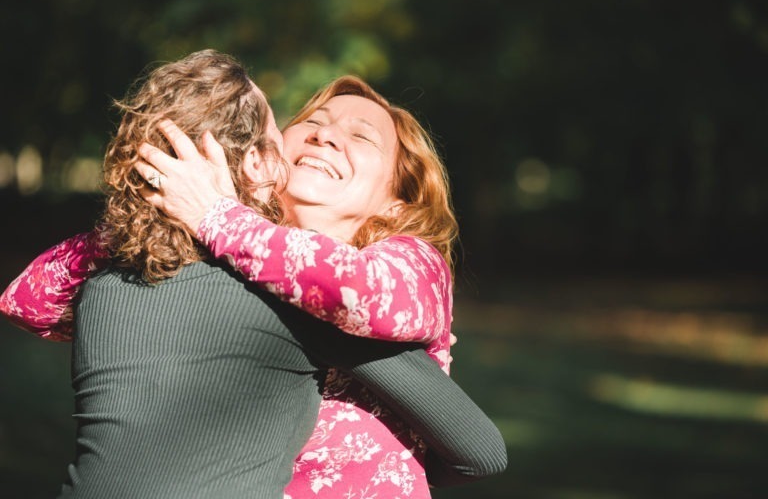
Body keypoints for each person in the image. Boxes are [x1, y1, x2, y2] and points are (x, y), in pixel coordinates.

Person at [1, 54, 505, 497]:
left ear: (396, 200)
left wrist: (216, 216)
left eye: (360, 136)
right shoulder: (226, 262)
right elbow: (28, 301)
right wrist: (158, 211)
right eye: (313, 122)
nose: (326, 134)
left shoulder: (411, 259)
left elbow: (358, 292)